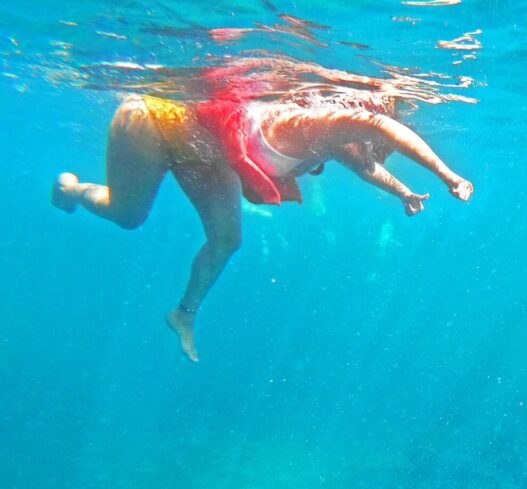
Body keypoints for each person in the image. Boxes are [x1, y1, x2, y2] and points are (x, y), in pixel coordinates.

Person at [52, 71, 474, 362]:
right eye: (370, 139)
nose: (371, 152)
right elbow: (382, 128)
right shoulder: (320, 121)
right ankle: (71, 190)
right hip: (158, 120)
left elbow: (365, 164)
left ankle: (183, 313)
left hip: (205, 155)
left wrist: (403, 193)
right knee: (128, 216)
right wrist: (447, 175)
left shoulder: (341, 143)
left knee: (226, 240)